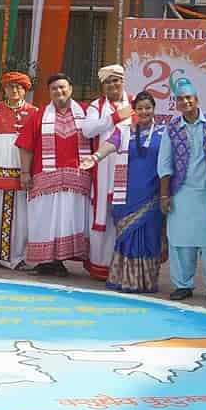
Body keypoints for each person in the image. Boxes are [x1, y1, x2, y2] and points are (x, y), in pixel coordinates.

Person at [81, 92, 166, 293]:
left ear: (154, 109)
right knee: (127, 236)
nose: (144, 112)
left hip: (153, 193)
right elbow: (110, 145)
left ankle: (147, 281)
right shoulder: (124, 131)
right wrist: (95, 157)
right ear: (134, 111)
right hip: (127, 194)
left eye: (148, 108)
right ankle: (127, 280)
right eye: (140, 108)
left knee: (150, 235)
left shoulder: (164, 132)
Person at [157, 77, 206, 300]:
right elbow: (164, 163)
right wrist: (164, 194)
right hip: (182, 194)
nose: (185, 102)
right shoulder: (172, 128)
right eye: (181, 99)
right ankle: (183, 285)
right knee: (181, 241)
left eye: (189, 98)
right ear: (176, 103)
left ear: (197, 100)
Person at [15, 73, 94, 276]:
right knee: (44, 221)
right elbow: (25, 146)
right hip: (45, 181)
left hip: (76, 180)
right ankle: (46, 262)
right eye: (54, 88)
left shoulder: (86, 113)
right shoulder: (39, 115)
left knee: (68, 220)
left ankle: (58, 261)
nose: (59, 91)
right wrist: (25, 173)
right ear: (49, 93)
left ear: (70, 89)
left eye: (62, 87)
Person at [81, 63, 134, 281]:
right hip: (102, 168)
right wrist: (115, 117)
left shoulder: (134, 102)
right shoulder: (97, 105)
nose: (113, 85)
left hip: (129, 168)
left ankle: (123, 266)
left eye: (116, 80)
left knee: (125, 215)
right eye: (108, 82)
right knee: (102, 212)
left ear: (123, 81)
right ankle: (101, 266)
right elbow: (87, 130)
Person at [0, 71, 39, 270]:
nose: (14, 90)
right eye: (10, 86)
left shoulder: (34, 112)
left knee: (22, 217)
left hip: (22, 171)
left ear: (25, 90)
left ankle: (18, 257)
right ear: (4, 90)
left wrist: (30, 171)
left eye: (18, 87)